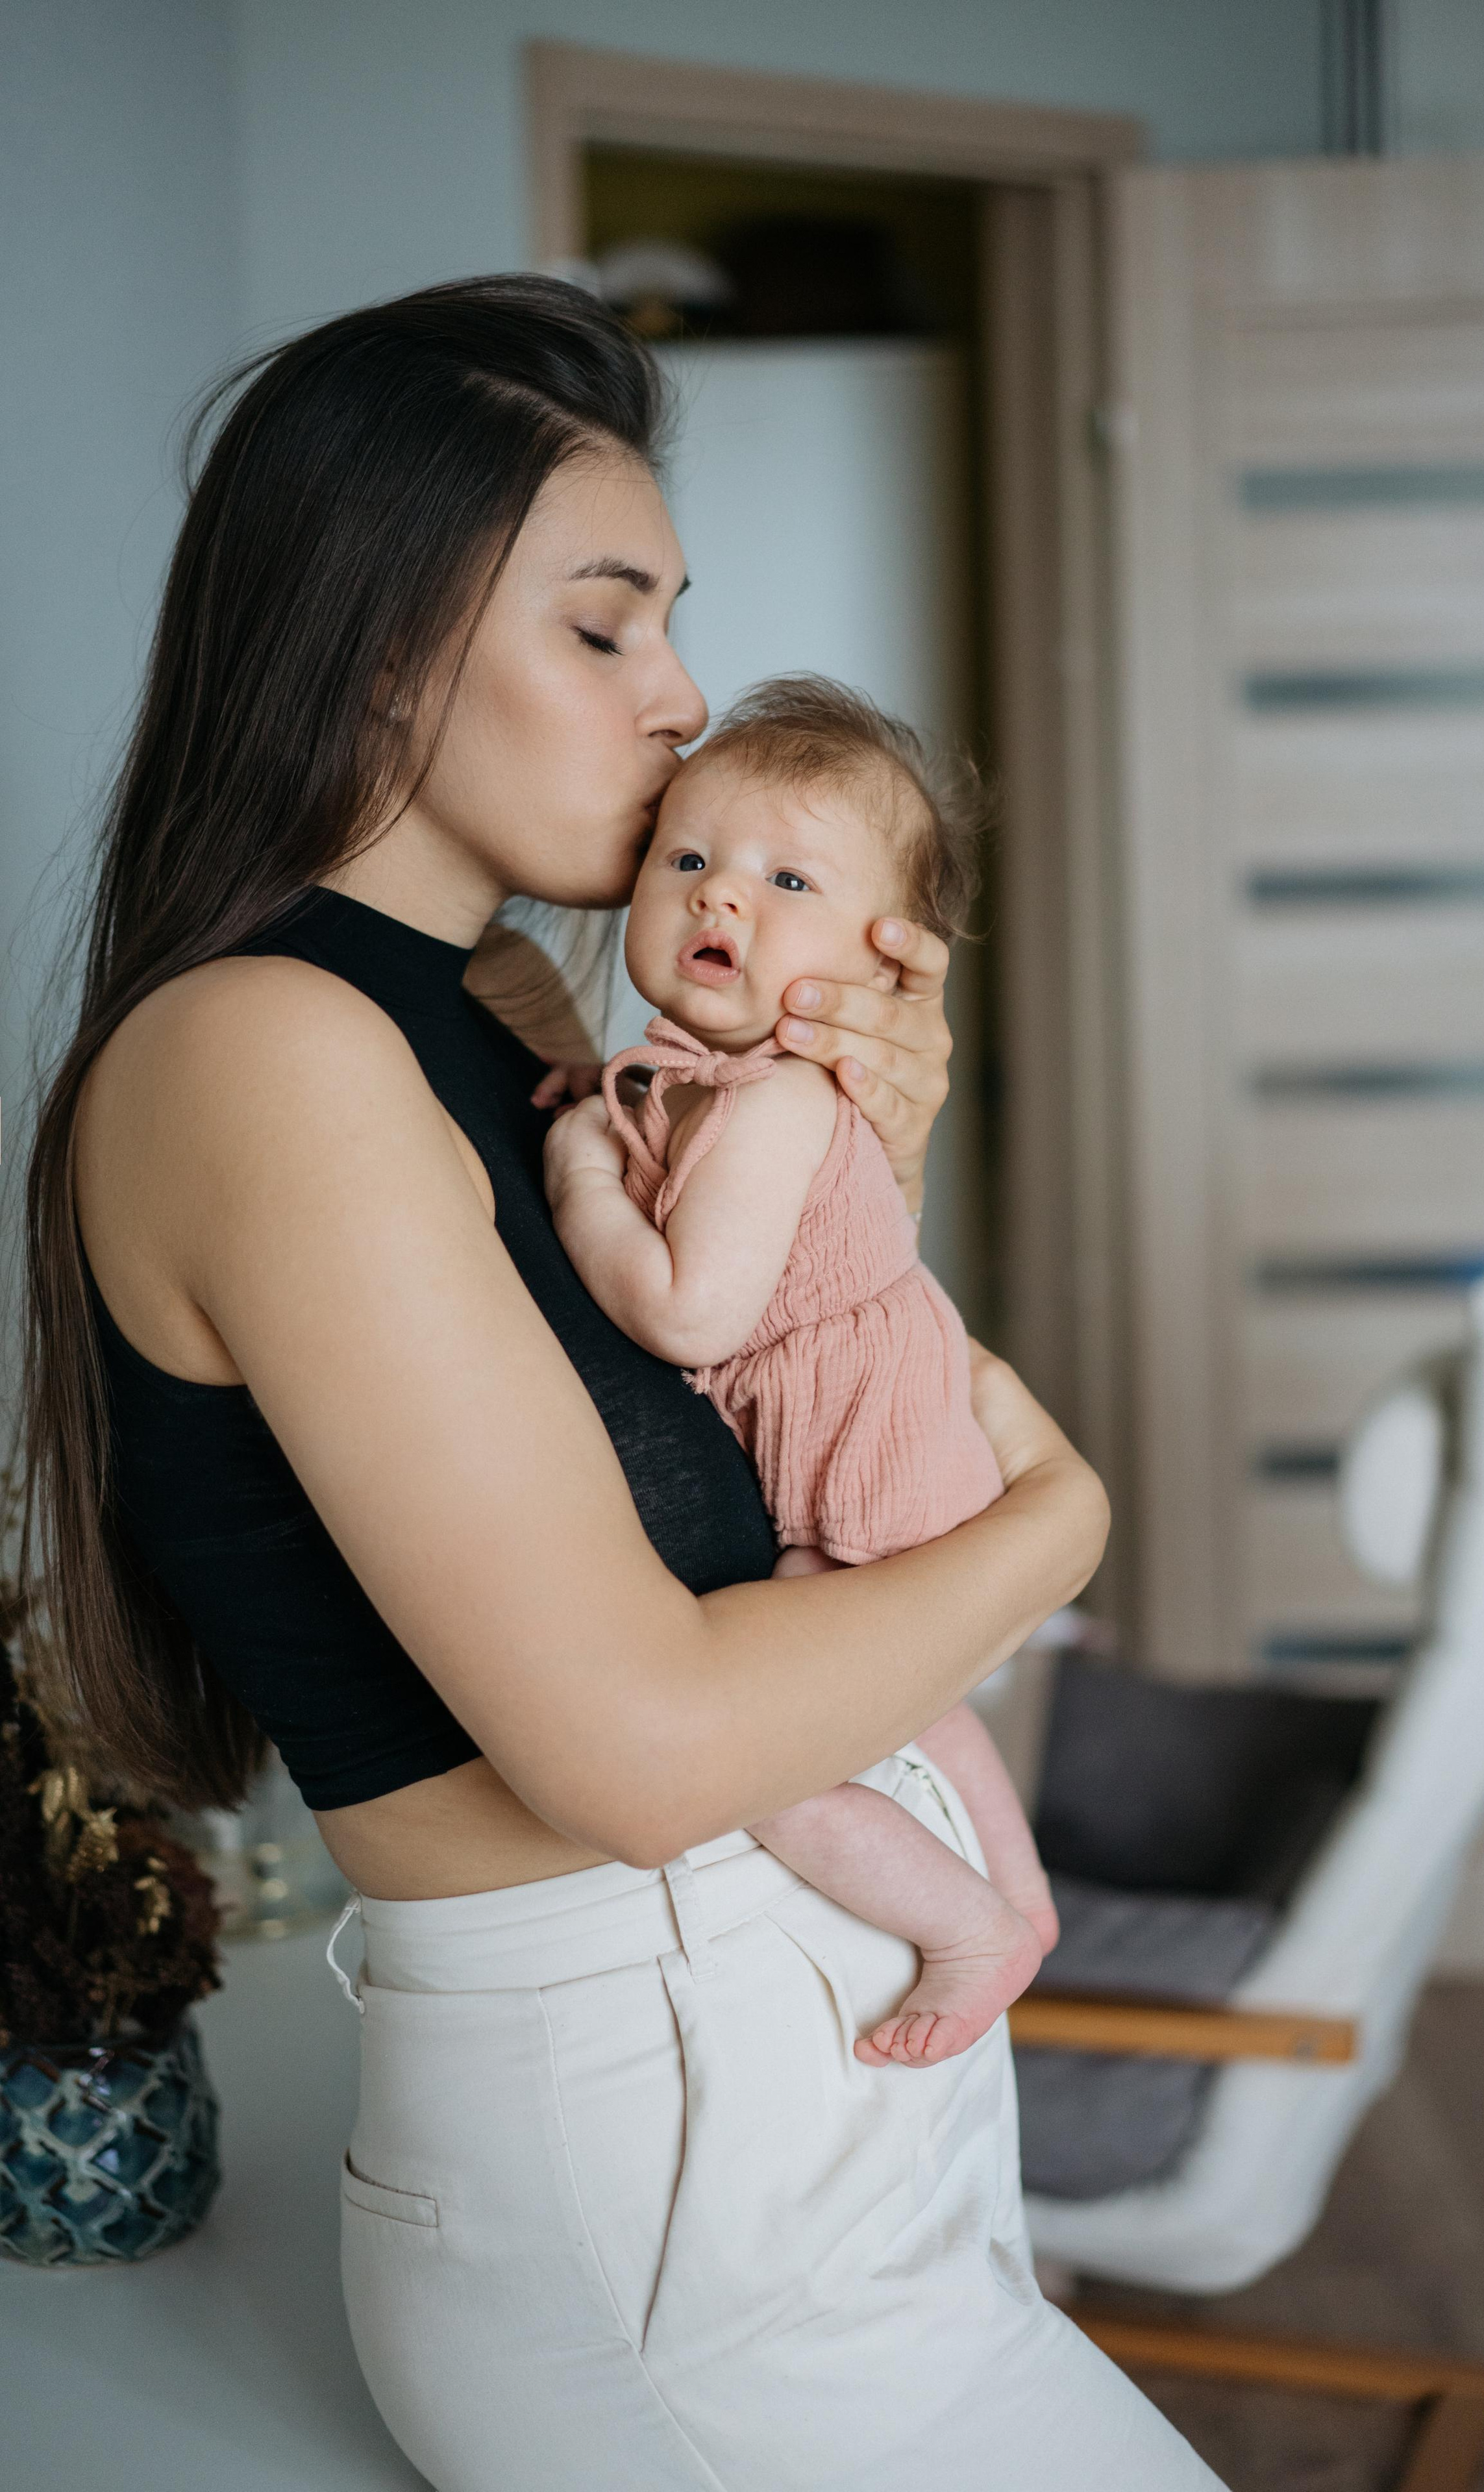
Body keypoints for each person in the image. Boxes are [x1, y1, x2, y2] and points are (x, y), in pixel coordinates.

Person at [23, 276, 1222, 2490]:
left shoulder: (492, 1009)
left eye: (675, 622)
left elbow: (727, 1429)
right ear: (382, 637)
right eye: (607, 626)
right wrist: (1060, 1524)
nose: (680, 705)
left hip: (783, 2068)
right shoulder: (264, 1052)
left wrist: (861, 1140)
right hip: (671, 2142)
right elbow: (643, 1746)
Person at [549, 673, 1060, 2070]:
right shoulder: (712, 1080)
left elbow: (688, 1315)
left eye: (785, 878)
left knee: (767, 1762)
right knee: (923, 1697)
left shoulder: (774, 1103)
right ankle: (1022, 1895)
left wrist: (584, 1174)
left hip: (864, 1457)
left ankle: (966, 1924)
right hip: (888, 1430)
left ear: (878, 963)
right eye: (691, 859)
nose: (721, 900)